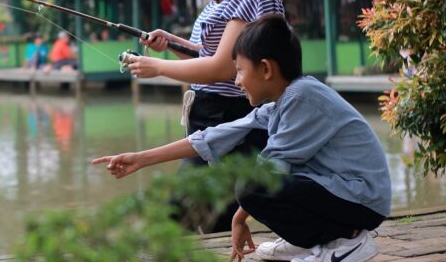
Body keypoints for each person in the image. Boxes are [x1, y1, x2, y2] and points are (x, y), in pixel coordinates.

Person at [94, 14, 391, 262]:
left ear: (265, 69)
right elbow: (213, 137)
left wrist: (238, 218)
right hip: (346, 193)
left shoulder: (303, 97)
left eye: (239, 71)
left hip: (362, 198)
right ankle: (310, 242)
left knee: (253, 184)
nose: (236, 81)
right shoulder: (282, 101)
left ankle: (347, 241)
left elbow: (269, 167)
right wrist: (141, 159)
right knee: (254, 180)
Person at [126, 0, 285, 233]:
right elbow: (214, 55)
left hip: (229, 117)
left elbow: (224, 69)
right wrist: (172, 43)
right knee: (214, 222)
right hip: (216, 116)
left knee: (179, 221)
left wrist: (159, 66)